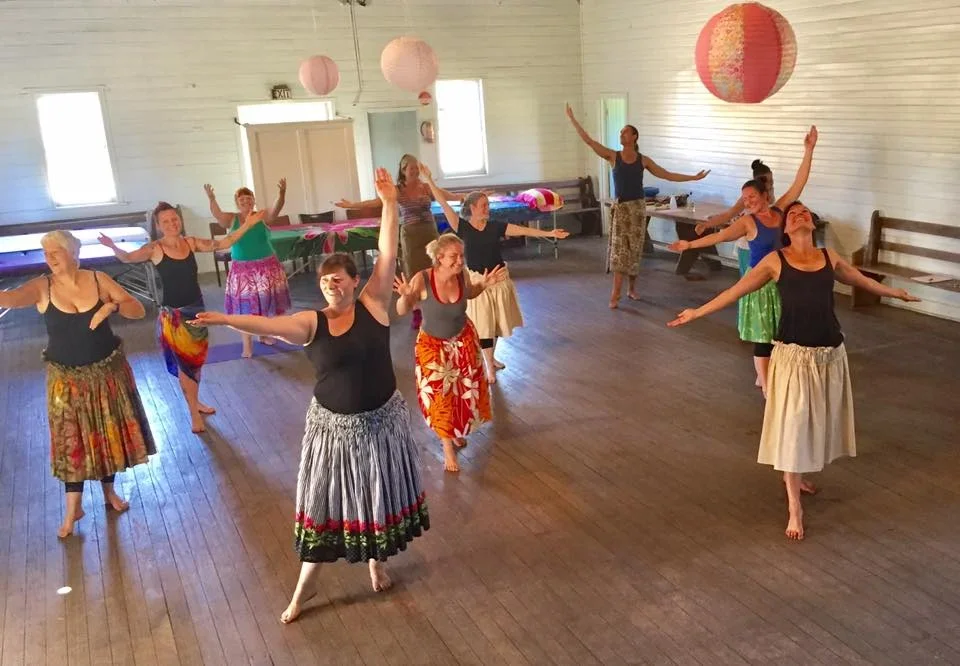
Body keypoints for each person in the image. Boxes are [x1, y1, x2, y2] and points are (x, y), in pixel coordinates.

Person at [191, 168, 429, 624]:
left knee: (376, 498)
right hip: (333, 432)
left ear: (355, 281)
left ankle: (377, 562)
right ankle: (304, 589)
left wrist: (390, 205)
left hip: (381, 424)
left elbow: (386, 252)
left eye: (339, 280)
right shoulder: (310, 323)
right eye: (325, 282)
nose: (332, 286)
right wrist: (224, 319)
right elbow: (265, 325)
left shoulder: (374, 305)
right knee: (324, 506)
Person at [668, 200, 920, 540]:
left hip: (829, 355)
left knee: (812, 425)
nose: (799, 214)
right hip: (793, 357)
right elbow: (734, 291)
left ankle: (797, 477)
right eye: (793, 214)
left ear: (811, 225)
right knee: (793, 427)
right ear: (786, 229)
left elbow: (859, 279)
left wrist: (895, 292)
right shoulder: (776, 260)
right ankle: (794, 509)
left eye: (804, 212)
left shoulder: (828, 257)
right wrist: (697, 312)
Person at [0, 231, 155, 538]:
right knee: (71, 440)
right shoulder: (42, 287)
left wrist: (112, 306)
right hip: (66, 379)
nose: (50, 258)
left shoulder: (98, 279)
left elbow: (137, 309)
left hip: (106, 373)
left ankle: (110, 494)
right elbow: (8, 299)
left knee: (104, 435)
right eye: (46, 254)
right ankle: (74, 508)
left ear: (72, 252)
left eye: (55, 251)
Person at [669, 126, 817, 397]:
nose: (747, 202)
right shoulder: (748, 222)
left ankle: (776, 375)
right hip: (758, 280)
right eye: (745, 198)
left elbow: (799, 183)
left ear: (764, 196)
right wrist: (689, 243)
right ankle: (766, 384)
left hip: (782, 279)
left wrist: (809, 150)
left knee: (782, 332)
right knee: (762, 334)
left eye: (752, 197)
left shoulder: (779, 211)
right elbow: (721, 236)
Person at [99, 203, 266, 433]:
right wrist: (112, 247)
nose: (172, 224)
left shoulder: (191, 242)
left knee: (194, 363)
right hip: (174, 316)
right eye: (165, 221)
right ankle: (193, 413)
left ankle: (195, 401)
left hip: (198, 312)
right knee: (185, 364)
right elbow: (128, 258)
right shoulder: (155, 249)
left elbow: (224, 243)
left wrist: (247, 224)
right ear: (158, 226)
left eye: (174, 219)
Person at [420, 162, 570, 382]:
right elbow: (442, 203)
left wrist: (549, 232)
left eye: (487, 204)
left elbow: (523, 229)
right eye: (483, 205)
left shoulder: (495, 226)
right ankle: (489, 364)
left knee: (497, 323)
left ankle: (490, 357)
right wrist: (430, 181)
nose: (486, 208)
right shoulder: (462, 227)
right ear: (472, 208)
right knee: (485, 325)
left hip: (499, 279)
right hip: (479, 282)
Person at [564, 103, 710, 308]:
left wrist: (693, 178)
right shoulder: (613, 156)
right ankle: (615, 294)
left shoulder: (643, 160)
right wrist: (572, 119)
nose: (621, 135)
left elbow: (666, 174)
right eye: (620, 133)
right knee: (619, 252)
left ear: (634, 137)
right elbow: (589, 141)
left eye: (625, 133)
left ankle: (631, 289)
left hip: (637, 209)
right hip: (622, 209)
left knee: (634, 250)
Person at [394, 233, 507, 472]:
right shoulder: (423, 279)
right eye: (454, 257)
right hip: (433, 345)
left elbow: (469, 293)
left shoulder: (462, 275)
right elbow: (403, 309)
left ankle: (454, 431)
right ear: (439, 258)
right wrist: (405, 295)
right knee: (441, 397)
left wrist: (483, 286)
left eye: (461, 255)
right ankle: (447, 447)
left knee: (462, 391)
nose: (459, 261)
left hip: (462, 339)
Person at [336, 154, 464, 329]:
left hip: (430, 233)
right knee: (413, 272)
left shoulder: (425, 187)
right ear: (403, 170)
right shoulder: (398, 189)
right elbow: (377, 202)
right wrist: (352, 205)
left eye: (417, 167)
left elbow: (446, 195)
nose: (415, 171)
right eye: (411, 168)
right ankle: (417, 312)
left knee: (435, 269)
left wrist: (465, 197)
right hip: (411, 236)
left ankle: (437, 304)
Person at [204, 180, 291, 358]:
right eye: (242, 200)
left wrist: (281, 194)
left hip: (266, 266)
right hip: (243, 270)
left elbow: (276, 210)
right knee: (245, 308)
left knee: (265, 303)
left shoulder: (262, 216)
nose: (246, 202)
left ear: (253, 200)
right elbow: (218, 215)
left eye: (248, 199)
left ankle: (264, 335)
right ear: (237, 203)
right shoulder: (232, 218)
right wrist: (212, 198)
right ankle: (247, 344)